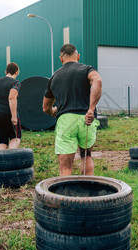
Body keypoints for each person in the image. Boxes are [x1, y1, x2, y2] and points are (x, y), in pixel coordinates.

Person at [43, 44, 103, 176]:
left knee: (65, 166)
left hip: (66, 120)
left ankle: (66, 194)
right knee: (86, 156)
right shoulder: (87, 69)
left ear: (61, 59)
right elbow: (97, 81)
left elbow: (46, 107)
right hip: (87, 119)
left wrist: (53, 111)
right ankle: (87, 193)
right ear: (78, 56)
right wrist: (91, 109)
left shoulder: (54, 77)